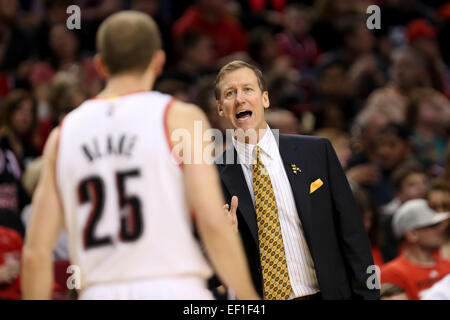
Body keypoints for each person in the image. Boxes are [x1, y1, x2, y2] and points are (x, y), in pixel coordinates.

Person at [21, 11, 259, 300]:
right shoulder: (179, 118)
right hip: (173, 287)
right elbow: (212, 222)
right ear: (158, 61)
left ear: (100, 65)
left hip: (99, 291)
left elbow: (35, 254)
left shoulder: (64, 134)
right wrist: (248, 298)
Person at [214, 60, 379, 300]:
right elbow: (206, 270)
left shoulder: (317, 152)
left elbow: (353, 235)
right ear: (220, 108)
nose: (240, 99)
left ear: (265, 99)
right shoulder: (211, 176)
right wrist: (221, 241)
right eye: (230, 93)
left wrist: (368, 297)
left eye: (248, 89)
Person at [381, 199, 450, 300]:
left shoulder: (447, 264)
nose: (441, 229)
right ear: (412, 234)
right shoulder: (392, 273)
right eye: (432, 225)